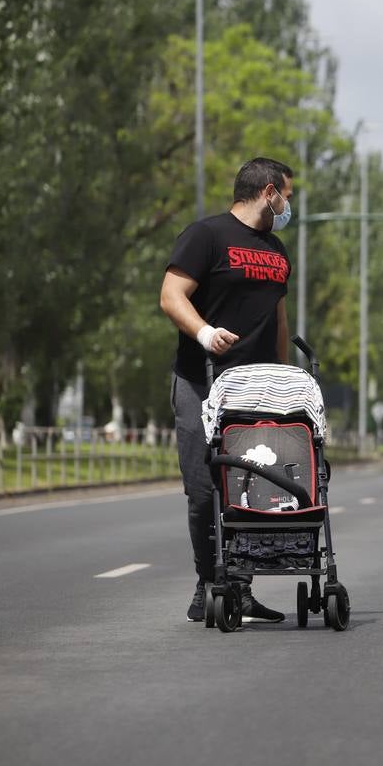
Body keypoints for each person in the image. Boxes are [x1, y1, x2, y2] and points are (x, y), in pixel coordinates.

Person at [159, 158, 296, 623]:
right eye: (288, 197)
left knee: (252, 489)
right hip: (202, 381)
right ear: (269, 192)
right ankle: (209, 581)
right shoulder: (206, 235)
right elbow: (171, 295)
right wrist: (204, 333)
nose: (289, 206)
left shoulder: (277, 250)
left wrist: (287, 380)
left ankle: (240, 586)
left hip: (257, 389)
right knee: (203, 491)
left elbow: (278, 320)